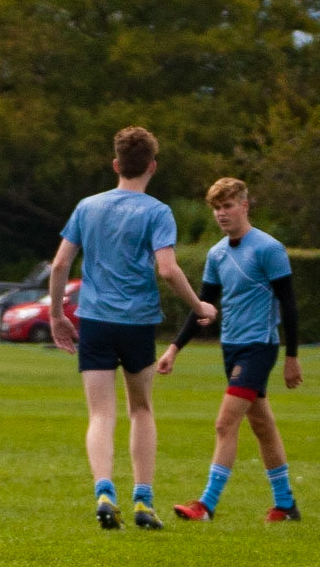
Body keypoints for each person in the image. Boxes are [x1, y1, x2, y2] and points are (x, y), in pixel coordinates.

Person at [49, 126, 217, 530]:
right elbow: (168, 269)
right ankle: (143, 500)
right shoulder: (157, 212)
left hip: (95, 320)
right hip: (138, 322)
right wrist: (199, 307)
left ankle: (104, 492)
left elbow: (59, 265)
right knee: (141, 409)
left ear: (115, 164)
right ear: (152, 166)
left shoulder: (87, 207)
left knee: (100, 413)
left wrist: (57, 316)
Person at [158, 177, 303, 523]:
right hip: (231, 349)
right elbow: (203, 308)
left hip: (259, 348)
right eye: (216, 208)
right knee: (262, 425)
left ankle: (206, 505)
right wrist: (174, 348)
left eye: (228, 206)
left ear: (244, 206)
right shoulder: (217, 254)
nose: (222, 214)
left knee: (225, 423)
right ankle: (286, 505)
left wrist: (292, 357)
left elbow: (289, 304)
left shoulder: (269, 249)